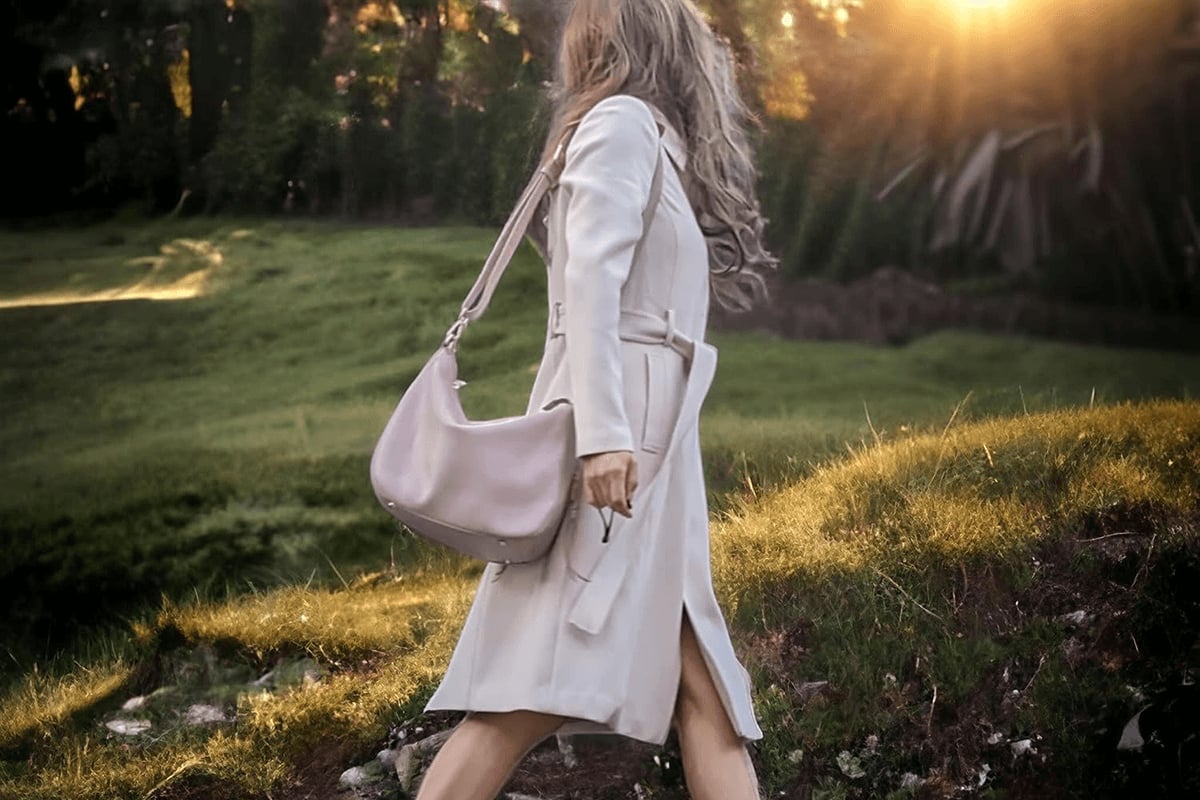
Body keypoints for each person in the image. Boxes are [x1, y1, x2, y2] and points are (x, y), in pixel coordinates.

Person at [415, 1, 778, 798]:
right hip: (621, 437)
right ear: (666, 39)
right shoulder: (619, 122)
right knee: (521, 690)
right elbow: (590, 282)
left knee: (701, 685)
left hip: (655, 441)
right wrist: (603, 438)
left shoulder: (646, 135)